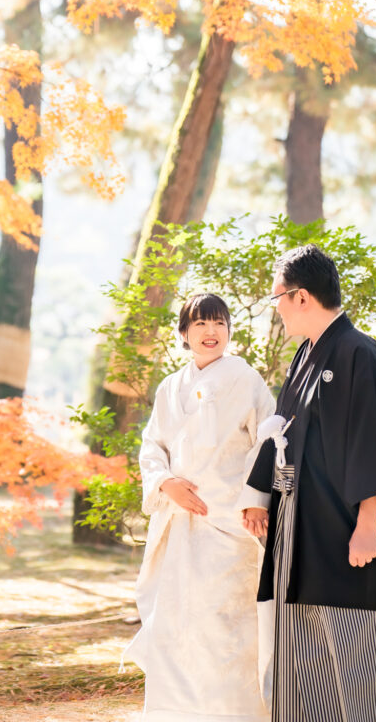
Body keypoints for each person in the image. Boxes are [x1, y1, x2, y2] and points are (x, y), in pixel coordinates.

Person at [242, 244, 376, 722]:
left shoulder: (358, 353)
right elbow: (280, 430)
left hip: (344, 534)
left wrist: (368, 523)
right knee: (305, 661)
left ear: (301, 297)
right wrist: (259, 496)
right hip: (301, 531)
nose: (276, 308)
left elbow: (372, 440)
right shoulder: (305, 356)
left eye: (277, 297)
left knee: (361, 659)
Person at [124, 292, 275, 722]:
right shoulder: (170, 387)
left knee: (228, 626)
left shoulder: (246, 379)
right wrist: (166, 482)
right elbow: (152, 446)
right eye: (201, 324)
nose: (212, 332)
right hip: (180, 524)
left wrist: (256, 499)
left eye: (220, 323)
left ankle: (236, 714)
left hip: (231, 521)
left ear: (229, 330)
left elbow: (268, 440)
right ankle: (177, 713)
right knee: (177, 625)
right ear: (184, 333)